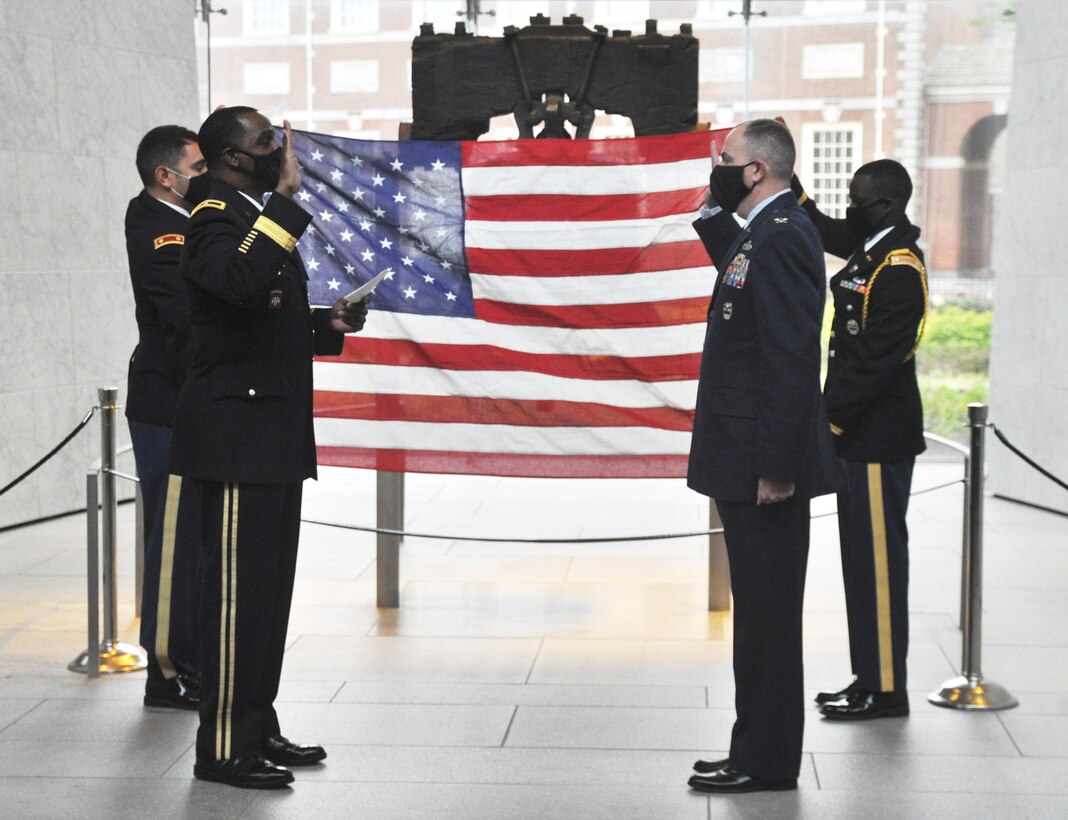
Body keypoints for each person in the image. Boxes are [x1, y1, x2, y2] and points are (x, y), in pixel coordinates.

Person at [170, 106, 369, 790]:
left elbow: (257, 315)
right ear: (232, 157)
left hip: (270, 437)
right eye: (265, 142)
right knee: (233, 600)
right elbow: (233, 284)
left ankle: (257, 724)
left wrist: (326, 322)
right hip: (235, 439)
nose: (278, 150)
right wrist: (282, 206)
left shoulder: (249, 213)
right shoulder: (215, 215)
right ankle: (223, 747)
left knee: (265, 598)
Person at [685, 119, 839, 794]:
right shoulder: (763, 233)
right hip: (745, 456)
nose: (718, 166)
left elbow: (789, 356)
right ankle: (754, 749)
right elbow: (744, 289)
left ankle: (766, 761)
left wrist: (776, 464)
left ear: (757, 171)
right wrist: (716, 220)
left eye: (727, 160)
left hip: (762, 466)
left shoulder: (782, 236)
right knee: (759, 614)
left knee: (769, 620)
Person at [794, 160, 928, 720]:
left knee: (877, 566)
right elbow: (825, 228)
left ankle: (887, 689)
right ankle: (868, 675)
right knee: (859, 564)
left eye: (859, 199)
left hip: (876, 437)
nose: (850, 207)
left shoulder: (898, 265)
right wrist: (790, 180)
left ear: (888, 203)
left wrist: (828, 423)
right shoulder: (872, 241)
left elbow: (874, 363)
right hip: (859, 436)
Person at [125, 125, 213, 711]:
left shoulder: (179, 223)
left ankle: (189, 657)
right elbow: (183, 322)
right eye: (197, 167)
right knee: (172, 543)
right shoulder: (159, 228)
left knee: (191, 542)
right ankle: (164, 671)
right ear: (166, 176)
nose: (203, 176)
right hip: (168, 404)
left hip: (183, 403)